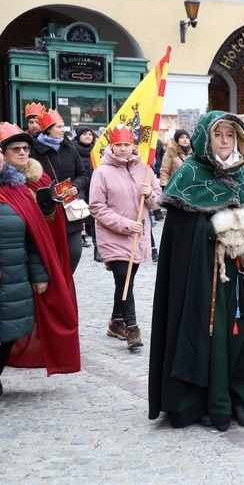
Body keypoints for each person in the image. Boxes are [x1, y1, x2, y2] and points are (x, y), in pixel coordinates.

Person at [148, 111, 244, 431]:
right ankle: (210, 400)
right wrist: (216, 232)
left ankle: (242, 395)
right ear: (205, 139)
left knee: (243, 337)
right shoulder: (188, 175)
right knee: (210, 337)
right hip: (203, 280)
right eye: (218, 135)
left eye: (230, 135)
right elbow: (184, 238)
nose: (225, 142)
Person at [0, 125, 80, 393]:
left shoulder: (34, 180)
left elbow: (36, 232)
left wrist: (47, 209)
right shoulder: (10, 186)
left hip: (19, 266)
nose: (23, 152)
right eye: (15, 149)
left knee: (15, 321)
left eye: (25, 148)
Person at [89, 124, 161, 350]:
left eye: (127, 145)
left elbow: (159, 200)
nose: (123, 149)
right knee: (123, 278)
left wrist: (150, 195)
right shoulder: (101, 172)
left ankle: (115, 322)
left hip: (138, 236)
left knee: (125, 281)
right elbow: (97, 207)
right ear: (111, 145)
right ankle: (132, 328)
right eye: (118, 145)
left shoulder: (145, 169)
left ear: (133, 145)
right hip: (113, 234)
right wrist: (126, 224)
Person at [29, 109, 88, 274]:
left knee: (74, 253)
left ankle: (65, 283)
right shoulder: (34, 151)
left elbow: (83, 175)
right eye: (59, 127)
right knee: (52, 255)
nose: (63, 130)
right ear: (48, 129)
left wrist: (76, 186)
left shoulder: (70, 147)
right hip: (48, 211)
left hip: (70, 209)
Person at [72, 127, 96, 251]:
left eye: (90, 134)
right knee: (79, 211)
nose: (88, 136)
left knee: (94, 212)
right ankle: (80, 237)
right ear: (79, 136)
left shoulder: (96, 150)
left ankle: (96, 242)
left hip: (93, 184)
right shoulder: (72, 148)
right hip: (79, 184)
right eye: (84, 134)